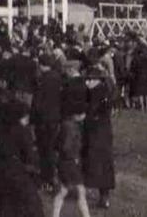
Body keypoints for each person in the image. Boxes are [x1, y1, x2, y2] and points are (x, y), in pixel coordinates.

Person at [82, 60, 116, 209]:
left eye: (90, 79)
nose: (88, 82)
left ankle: (99, 194)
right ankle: (104, 196)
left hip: (96, 133)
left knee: (96, 164)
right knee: (104, 165)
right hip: (104, 133)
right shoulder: (103, 91)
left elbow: (91, 113)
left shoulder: (96, 93)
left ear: (98, 80)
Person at [52, 89, 91, 217]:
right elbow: (66, 146)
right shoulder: (72, 128)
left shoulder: (65, 124)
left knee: (64, 191)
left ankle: (55, 214)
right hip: (70, 163)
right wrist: (73, 157)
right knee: (79, 191)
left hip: (64, 162)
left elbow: (57, 144)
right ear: (78, 114)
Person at [31, 53, 62, 191]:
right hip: (55, 117)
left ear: (42, 65)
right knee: (52, 148)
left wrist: (33, 117)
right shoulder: (58, 77)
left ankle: (47, 178)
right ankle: (54, 175)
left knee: (44, 149)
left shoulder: (41, 79)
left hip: (43, 118)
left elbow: (37, 102)